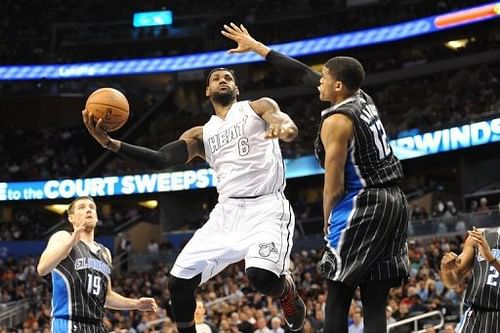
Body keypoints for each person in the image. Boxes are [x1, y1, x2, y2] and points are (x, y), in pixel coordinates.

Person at [82, 68, 306, 333]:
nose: (222, 80)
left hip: (266, 207)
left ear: (237, 89)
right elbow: (161, 158)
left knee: (261, 278)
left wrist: (286, 129)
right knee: (178, 283)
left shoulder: (257, 108)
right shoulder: (201, 134)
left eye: (228, 78)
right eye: (215, 78)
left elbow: (282, 121)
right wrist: (110, 143)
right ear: (207, 91)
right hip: (227, 212)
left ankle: (287, 292)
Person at [222, 23, 410, 333]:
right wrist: (257, 47)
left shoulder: (336, 121)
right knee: (375, 300)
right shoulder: (361, 97)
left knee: (336, 294)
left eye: (324, 78)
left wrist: (327, 223)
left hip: (362, 205)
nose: (318, 81)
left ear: (337, 86)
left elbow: (333, 185)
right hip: (395, 203)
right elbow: (301, 74)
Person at [37, 196, 157, 332]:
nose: (88, 210)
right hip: (68, 323)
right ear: (71, 218)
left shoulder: (105, 253)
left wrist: (136, 304)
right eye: (82, 207)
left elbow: (107, 297)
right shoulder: (63, 237)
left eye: (92, 207)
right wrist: (70, 243)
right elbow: (42, 268)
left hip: (97, 326)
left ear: (97, 217)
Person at [440, 227, 500, 332]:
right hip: (475, 314)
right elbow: (452, 282)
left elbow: (490, 258)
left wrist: (491, 259)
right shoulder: (479, 236)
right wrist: (446, 270)